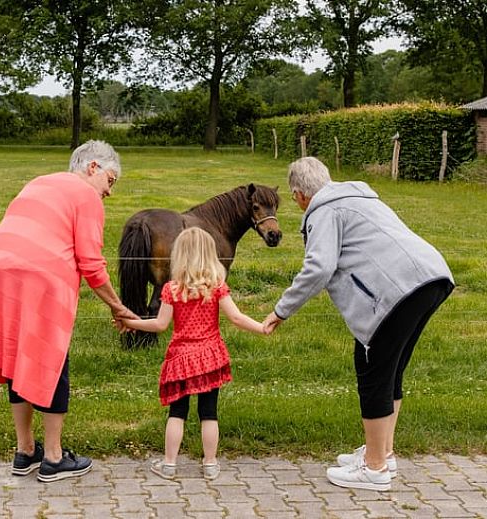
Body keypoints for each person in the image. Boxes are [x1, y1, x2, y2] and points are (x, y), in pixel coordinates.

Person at [263, 157, 454, 491]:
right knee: (391, 371)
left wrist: (281, 310)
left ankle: (375, 469)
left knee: (374, 373)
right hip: (430, 278)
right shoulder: (358, 196)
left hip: (395, 292)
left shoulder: (323, 211)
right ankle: (383, 452)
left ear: (298, 194)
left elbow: (319, 267)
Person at [0, 140, 138, 483]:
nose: (109, 192)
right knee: (51, 360)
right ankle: (53, 458)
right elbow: (91, 263)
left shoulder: (39, 181)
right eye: (110, 181)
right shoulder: (86, 195)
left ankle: (25, 451)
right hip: (39, 276)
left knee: (19, 361)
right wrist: (119, 308)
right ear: (93, 167)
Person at [118, 226, 267, 481]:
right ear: (210, 255)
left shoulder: (172, 289)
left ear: (179, 256)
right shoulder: (216, 286)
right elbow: (236, 317)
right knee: (209, 413)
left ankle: (169, 464)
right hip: (210, 356)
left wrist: (131, 323)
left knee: (177, 413)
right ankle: (210, 464)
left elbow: (159, 325)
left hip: (181, 359)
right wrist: (262, 328)